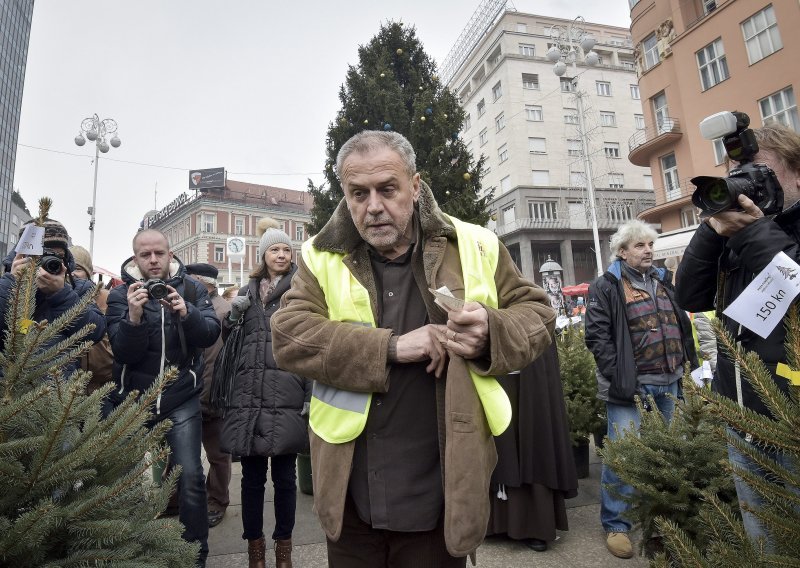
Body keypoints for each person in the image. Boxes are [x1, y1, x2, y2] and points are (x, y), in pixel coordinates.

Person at [271, 130, 556, 566]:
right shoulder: (319, 256)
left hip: (442, 488)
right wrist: (392, 347)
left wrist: (490, 332)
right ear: (345, 195)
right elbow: (288, 335)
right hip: (350, 490)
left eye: (388, 189)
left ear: (415, 186)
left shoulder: (475, 245)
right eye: (358, 193)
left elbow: (537, 315)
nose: (374, 207)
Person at [675, 123, 800, 548]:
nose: (744, 185)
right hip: (743, 413)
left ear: (797, 173)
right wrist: (714, 227)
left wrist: (753, 231)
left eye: (760, 171)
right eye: (736, 175)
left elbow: (796, 284)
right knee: (764, 542)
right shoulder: (737, 231)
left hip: (794, 418)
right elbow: (690, 295)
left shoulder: (763, 231)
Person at [105, 229, 221, 568]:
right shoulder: (120, 295)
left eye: (159, 253)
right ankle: (126, 553)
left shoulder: (192, 288)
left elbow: (210, 334)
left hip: (181, 396)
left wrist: (188, 313)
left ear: (170, 254)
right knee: (122, 482)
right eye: (145, 255)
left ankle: (194, 556)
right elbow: (124, 353)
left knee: (190, 478)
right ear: (135, 259)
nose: (153, 260)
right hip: (134, 398)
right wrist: (134, 317)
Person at [584, 219, 697, 559]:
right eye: (639, 246)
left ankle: (668, 518)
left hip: (670, 379)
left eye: (650, 245)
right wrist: (619, 377)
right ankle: (617, 525)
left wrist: (688, 363)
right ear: (622, 252)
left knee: (675, 450)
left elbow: (680, 323)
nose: (648, 250)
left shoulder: (664, 281)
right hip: (628, 387)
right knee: (622, 455)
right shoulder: (606, 286)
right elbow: (597, 337)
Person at [219, 218, 310, 568]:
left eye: (287, 249)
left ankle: (283, 549)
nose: (282, 254)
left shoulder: (301, 290)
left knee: (286, 479)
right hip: (249, 396)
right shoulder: (246, 291)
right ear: (263, 254)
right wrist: (232, 318)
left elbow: (310, 345)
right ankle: (254, 550)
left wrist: (309, 395)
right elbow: (230, 342)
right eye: (275, 248)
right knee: (252, 481)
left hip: (287, 391)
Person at [486, 342, 578, 552]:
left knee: (533, 430)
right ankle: (493, 522)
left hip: (531, 352)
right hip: (488, 352)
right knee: (492, 433)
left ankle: (532, 524)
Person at [0, 219, 105, 374]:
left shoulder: (79, 288)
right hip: (8, 390)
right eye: (43, 254)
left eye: (59, 256)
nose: (50, 261)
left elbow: (96, 331)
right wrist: (12, 283)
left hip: (58, 389)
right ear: (23, 255)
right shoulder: (8, 282)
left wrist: (61, 294)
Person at [185, 263, 232, 530]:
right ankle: (179, 498)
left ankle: (217, 500)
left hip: (213, 396)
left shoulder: (222, 312)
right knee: (184, 453)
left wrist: (214, 396)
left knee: (217, 455)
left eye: (190, 280)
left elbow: (216, 361)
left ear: (206, 283)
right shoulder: (192, 307)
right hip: (190, 394)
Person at [70, 245, 114, 394]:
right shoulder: (53, 298)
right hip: (66, 389)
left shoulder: (106, 298)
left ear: (88, 273)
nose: (72, 274)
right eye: (68, 267)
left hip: (101, 388)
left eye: (77, 268)